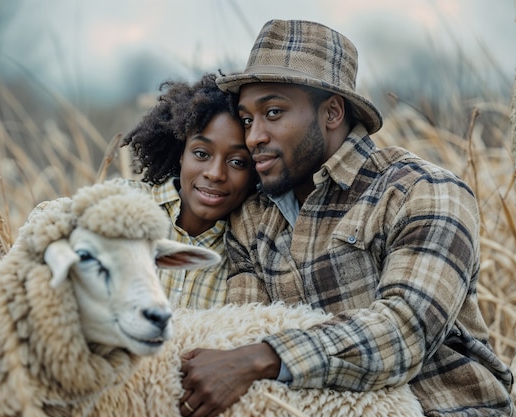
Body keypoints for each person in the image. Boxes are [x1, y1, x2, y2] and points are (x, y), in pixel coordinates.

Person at [178, 20, 515, 417]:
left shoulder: (423, 191)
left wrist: (263, 357)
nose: (253, 137)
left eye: (273, 112)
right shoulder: (252, 219)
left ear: (332, 112)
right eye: (248, 119)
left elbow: (405, 332)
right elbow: (245, 331)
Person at [118, 73, 256, 309]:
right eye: (201, 154)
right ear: (181, 153)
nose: (215, 173)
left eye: (237, 162)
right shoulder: (123, 203)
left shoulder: (249, 255)